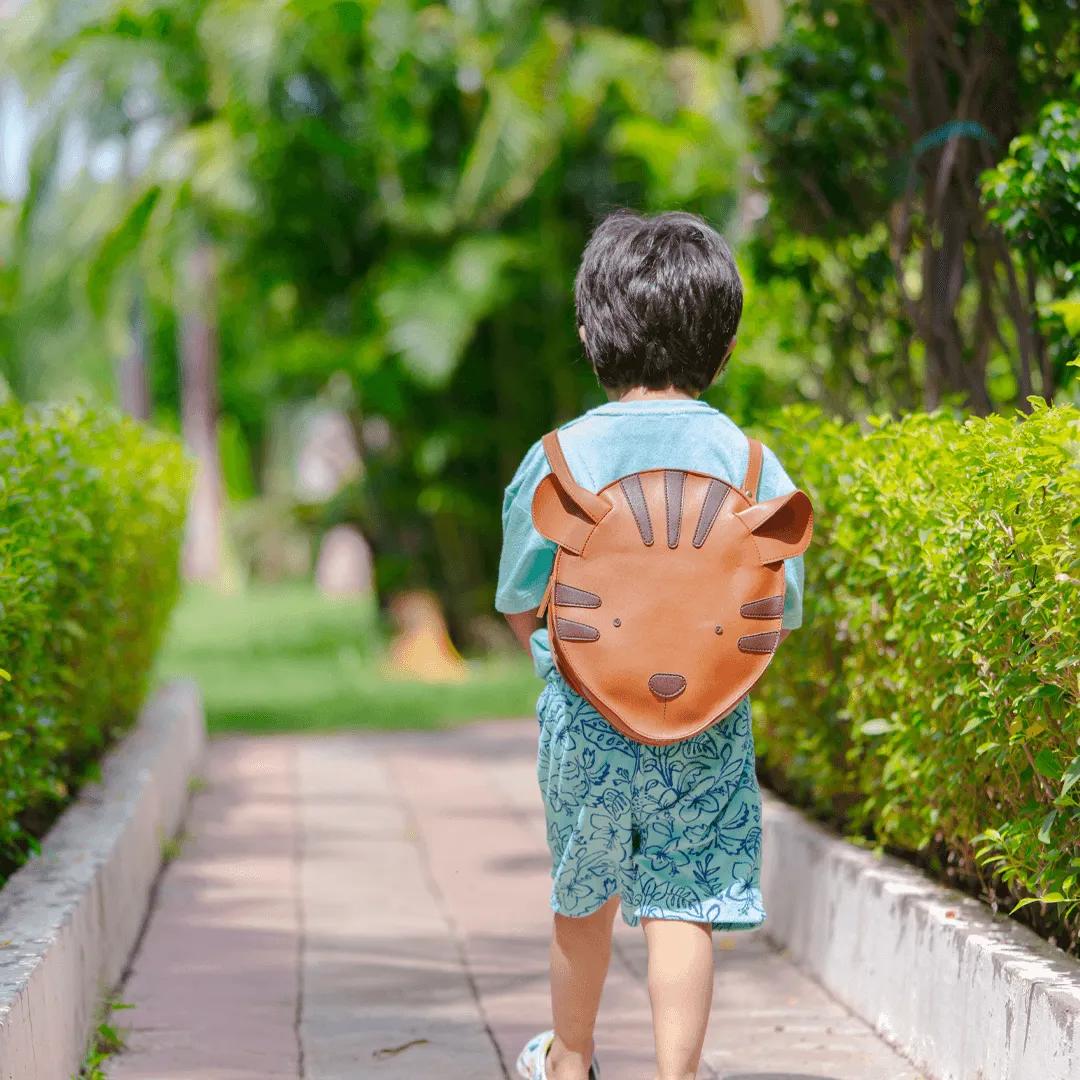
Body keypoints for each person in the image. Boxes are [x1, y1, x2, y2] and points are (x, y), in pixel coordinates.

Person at [495, 210, 805, 1080]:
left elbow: (521, 594)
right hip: (704, 720)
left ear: (592, 334)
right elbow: (780, 605)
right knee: (686, 900)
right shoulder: (748, 462)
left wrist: (554, 662)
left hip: (585, 718)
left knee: (582, 896)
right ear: (726, 346)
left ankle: (570, 1061)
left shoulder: (558, 455)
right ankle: (677, 1075)